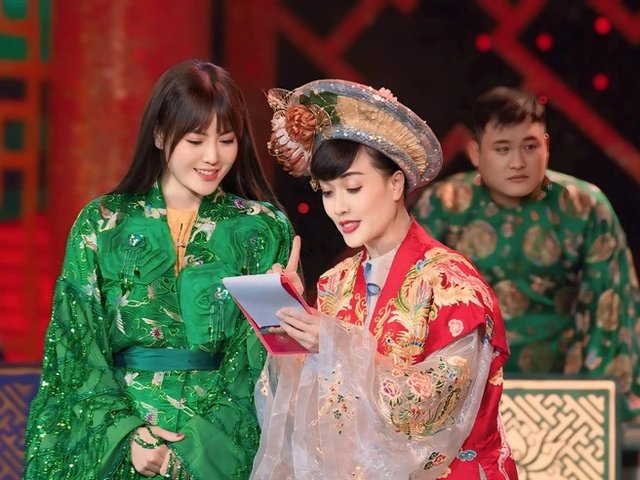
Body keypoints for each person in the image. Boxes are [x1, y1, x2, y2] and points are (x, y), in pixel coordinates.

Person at [23, 59, 295, 479]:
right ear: (159, 134)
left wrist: (195, 449)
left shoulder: (262, 229)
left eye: (226, 140)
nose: (213, 157)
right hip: (122, 447)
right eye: (195, 140)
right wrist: (127, 434)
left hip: (220, 449)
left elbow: (255, 358)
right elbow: (75, 349)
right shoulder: (102, 223)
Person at [251, 80, 518, 479]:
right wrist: (286, 321)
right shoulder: (335, 285)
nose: (339, 207)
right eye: (328, 193)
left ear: (395, 184)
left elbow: (431, 412)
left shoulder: (453, 285)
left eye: (353, 187)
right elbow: (309, 415)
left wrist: (335, 342)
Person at [412, 86, 640, 421]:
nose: (518, 162)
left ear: (546, 145)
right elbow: (415, 304)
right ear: (475, 153)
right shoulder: (444, 205)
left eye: (530, 147)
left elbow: (610, 309)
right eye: (502, 149)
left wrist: (596, 405)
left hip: (561, 390)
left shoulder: (584, 207)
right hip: (464, 392)